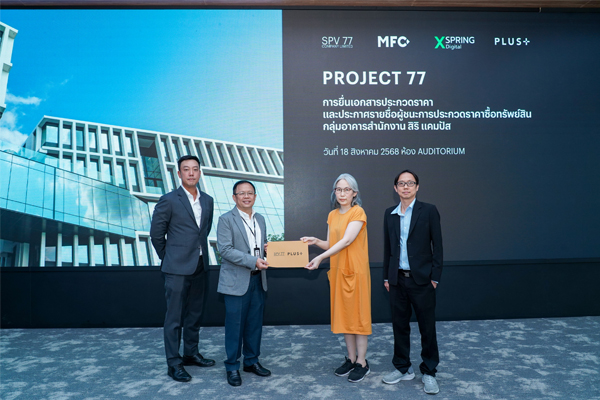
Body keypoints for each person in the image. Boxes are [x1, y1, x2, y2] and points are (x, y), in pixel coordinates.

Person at [150, 155, 215, 382]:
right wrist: (169, 258)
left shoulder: (208, 200)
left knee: (195, 313)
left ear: (199, 173)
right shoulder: (168, 200)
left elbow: (203, 232)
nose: (191, 173)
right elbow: (156, 234)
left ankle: (190, 353)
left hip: (200, 264)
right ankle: (174, 363)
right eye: (186, 169)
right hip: (176, 267)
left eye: (195, 169)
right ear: (179, 174)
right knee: (174, 317)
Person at [301, 173, 372, 383]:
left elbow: (347, 240)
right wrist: (316, 241)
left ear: (354, 193)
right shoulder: (332, 215)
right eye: (339, 189)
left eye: (347, 189)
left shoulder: (358, 212)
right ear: (334, 192)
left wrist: (320, 258)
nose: (342, 193)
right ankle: (351, 359)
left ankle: (362, 363)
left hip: (356, 271)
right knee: (345, 316)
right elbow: (332, 244)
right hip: (339, 271)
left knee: (358, 318)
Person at [381, 169, 443, 395]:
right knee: (399, 326)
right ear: (395, 188)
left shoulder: (429, 211)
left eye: (410, 183)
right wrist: (387, 277)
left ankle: (429, 371)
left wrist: (434, 278)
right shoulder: (390, 214)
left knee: (427, 328)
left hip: (422, 281)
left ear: (417, 187)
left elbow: (438, 246)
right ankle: (402, 367)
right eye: (401, 183)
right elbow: (388, 248)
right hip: (397, 280)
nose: (405, 186)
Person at [217, 180, 270, 387]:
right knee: (235, 327)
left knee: (254, 324)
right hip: (236, 281)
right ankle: (232, 366)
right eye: (242, 193)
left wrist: (268, 251)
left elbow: (260, 247)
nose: (246, 196)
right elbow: (225, 250)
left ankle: (251, 361)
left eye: (250, 193)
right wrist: (253, 260)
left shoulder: (261, 219)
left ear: (255, 196)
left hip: (258, 278)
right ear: (234, 197)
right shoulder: (225, 219)